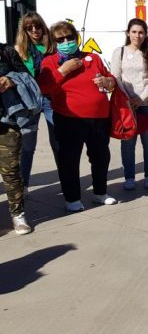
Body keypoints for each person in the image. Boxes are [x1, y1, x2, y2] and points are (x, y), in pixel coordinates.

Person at [38, 21, 117, 212]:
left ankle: (100, 193)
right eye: (61, 39)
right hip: (69, 119)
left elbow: (112, 80)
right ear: (55, 42)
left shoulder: (93, 58)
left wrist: (108, 81)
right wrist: (63, 70)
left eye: (70, 37)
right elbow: (44, 87)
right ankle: (72, 198)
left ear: (76, 37)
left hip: (98, 118)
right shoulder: (49, 62)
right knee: (70, 159)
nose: (66, 41)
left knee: (100, 157)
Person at [111, 18, 148, 190]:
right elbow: (115, 77)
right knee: (128, 141)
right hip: (126, 104)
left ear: (145, 34)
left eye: (141, 32)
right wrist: (128, 99)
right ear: (127, 33)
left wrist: (141, 99)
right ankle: (129, 177)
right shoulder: (120, 52)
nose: (137, 35)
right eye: (134, 32)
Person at [14, 12, 57, 194]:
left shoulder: (52, 48)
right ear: (24, 30)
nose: (34, 31)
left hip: (49, 98)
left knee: (57, 142)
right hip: (29, 101)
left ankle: (67, 179)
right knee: (28, 145)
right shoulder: (18, 49)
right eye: (29, 28)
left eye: (37, 26)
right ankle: (23, 185)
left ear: (43, 27)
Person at [1, 41, 40, 234]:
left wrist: (12, 80)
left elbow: (28, 78)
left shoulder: (6, 51)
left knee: (10, 171)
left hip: (6, 121)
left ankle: (18, 214)